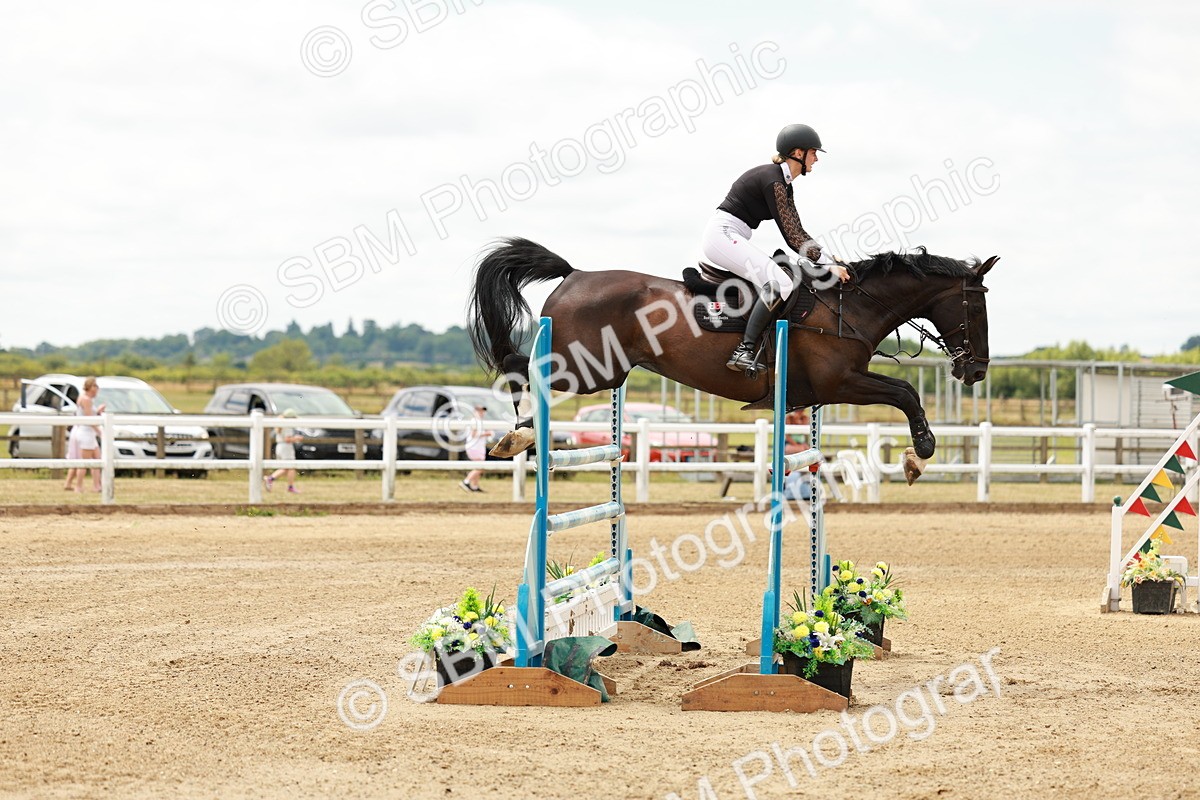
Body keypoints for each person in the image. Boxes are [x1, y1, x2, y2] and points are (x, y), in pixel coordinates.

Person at [701, 123, 852, 374]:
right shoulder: (773, 181)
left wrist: (829, 258)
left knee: (775, 281)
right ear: (798, 153)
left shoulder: (783, 183)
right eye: (813, 153)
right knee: (781, 283)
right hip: (723, 235)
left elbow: (798, 229)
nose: (816, 159)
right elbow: (792, 236)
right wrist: (827, 265)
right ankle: (744, 350)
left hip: (730, 234)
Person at [64, 377, 105, 492]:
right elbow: (88, 419)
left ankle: (97, 486)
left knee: (97, 459)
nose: (97, 389)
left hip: (87, 432)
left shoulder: (84, 398)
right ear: (90, 387)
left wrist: (97, 412)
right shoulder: (86, 399)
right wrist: (100, 432)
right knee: (84, 462)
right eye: (95, 386)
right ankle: (79, 486)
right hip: (86, 433)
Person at [265, 409, 302, 494]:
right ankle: (287, 485)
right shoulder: (287, 426)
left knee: (285, 468)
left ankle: (272, 479)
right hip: (286, 448)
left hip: (280, 447)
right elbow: (287, 439)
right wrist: (297, 438)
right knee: (291, 467)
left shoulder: (280, 425)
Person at [459, 405, 488, 493]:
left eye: (482, 411)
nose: (481, 413)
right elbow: (473, 435)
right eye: (479, 411)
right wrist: (487, 434)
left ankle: (475, 486)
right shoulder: (474, 421)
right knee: (480, 467)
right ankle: (466, 481)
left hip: (477, 447)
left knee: (478, 466)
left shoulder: (479, 421)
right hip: (474, 447)